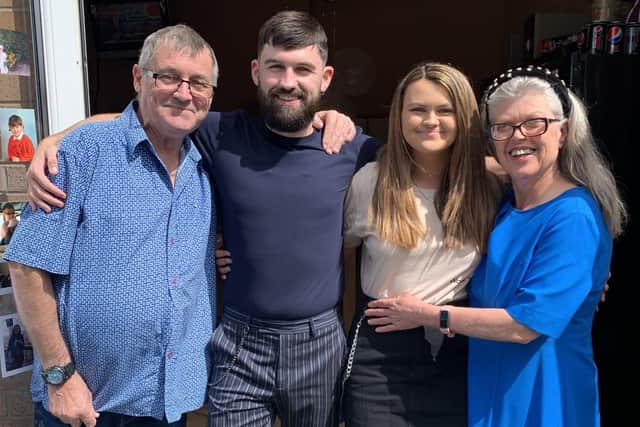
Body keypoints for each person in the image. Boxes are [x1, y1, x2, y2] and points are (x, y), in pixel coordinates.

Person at [24, 11, 378, 427]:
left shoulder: (351, 146)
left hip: (318, 341)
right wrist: (55, 141)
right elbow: (143, 117)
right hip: (238, 342)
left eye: (303, 69)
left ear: (326, 77)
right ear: (255, 71)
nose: (287, 81)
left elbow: (422, 164)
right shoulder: (218, 133)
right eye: (275, 67)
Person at [364, 66, 627, 427]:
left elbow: (524, 326)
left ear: (563, 132)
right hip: (489, 383)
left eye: (535, 123)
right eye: (503, 127)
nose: (518, 137)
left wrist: (427, 314)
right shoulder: (504, 200)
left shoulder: (573, 216)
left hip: (543, 391)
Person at [4, 24, 220, 427]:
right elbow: (26, 265)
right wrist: (59, 375)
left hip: (167, 406)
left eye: (199, 83)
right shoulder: (83, 153)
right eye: (168, 77)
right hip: (84, 404)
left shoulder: (210, 164)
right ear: (139, 78)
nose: (184, 92)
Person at [337, 62, 502, 426]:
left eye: (445, 110)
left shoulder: (490, 185)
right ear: (398, 117)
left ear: (465, 117)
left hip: (461, 348)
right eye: (418, 109)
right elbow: (328, 254)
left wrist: (584, 271)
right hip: (381, 353)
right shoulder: (371, 182)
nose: (431, 120)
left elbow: (539, 226)